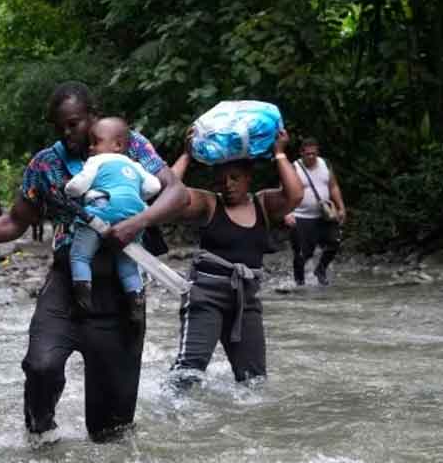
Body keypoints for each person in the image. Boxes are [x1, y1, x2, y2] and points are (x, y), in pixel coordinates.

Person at [0, 81, 188, 443]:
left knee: (110, 432)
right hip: (67, 280)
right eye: (60, 127)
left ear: (93, 116)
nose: (68, 134)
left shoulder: (128, 144)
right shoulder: (46, 163)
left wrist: (137, 223)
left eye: (74, 124)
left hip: (121, 290)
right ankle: (42, 436)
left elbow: (175, 193)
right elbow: (14, 222)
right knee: (40, 365)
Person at [167, 128, 303, 388]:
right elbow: (170, 195)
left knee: (254, 382)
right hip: (205, 297)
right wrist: (186, 155)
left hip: (245, 301)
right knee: (188, 373)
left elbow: (295, 195)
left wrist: (279, 153)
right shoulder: (209, 204)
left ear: (248, 179)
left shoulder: (263, 204)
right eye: (221, 180)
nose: (227, 185)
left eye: (235, 178)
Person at [65, 117, 162, 317]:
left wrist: (68, 190)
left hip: (102, 209)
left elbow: (78, 186)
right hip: (133, 217)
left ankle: (83, 296)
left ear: (117, 145)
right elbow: (155, 186)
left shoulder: (96, 160)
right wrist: (134, 195)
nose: (90, 147)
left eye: (96, 142)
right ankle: (135, 301)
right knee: (127, 264)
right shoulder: (133, 164)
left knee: (80, 256)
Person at [284, 138, 347, 286]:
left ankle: (321, 269)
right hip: (301, 216)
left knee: (334, 242)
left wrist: (341, 207)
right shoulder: (294, 168)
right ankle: (299, 283)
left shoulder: (325, 164)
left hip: (324, 216)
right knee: (301, 254)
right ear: (301, 153)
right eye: (308, 154)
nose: (311, 157)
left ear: (317, 152)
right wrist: (287, 213)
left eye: (314, 153)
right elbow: (285, 191)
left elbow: (333, 187)